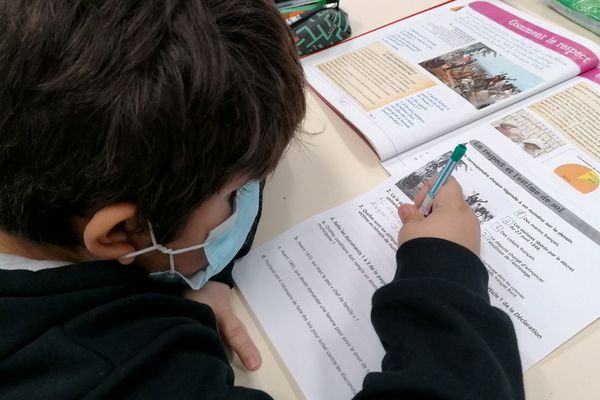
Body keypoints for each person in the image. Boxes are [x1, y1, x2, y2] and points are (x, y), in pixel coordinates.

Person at [0, 1, 524, 399]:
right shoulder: (106, 367)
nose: (247, 201)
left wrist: (206, 271)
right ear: (119, 234)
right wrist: (444, 269)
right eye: (234, 194)